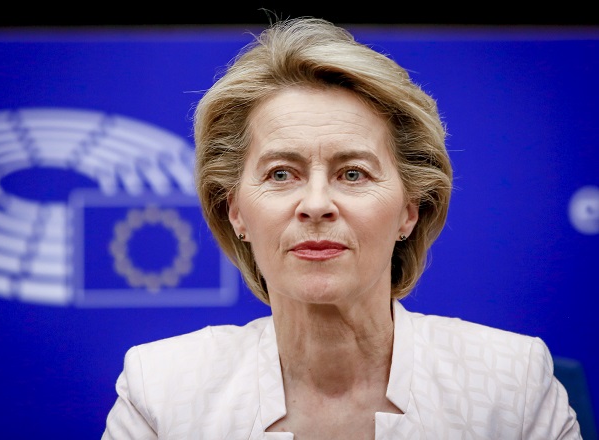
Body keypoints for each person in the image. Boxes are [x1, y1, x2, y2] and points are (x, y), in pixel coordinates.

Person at [102, 17, 581, 439]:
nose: (316, 205)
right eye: (280, 174)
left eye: (353, 174)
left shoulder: (512, 386)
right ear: (236, 211)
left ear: (409, 210)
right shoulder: (162, 392)